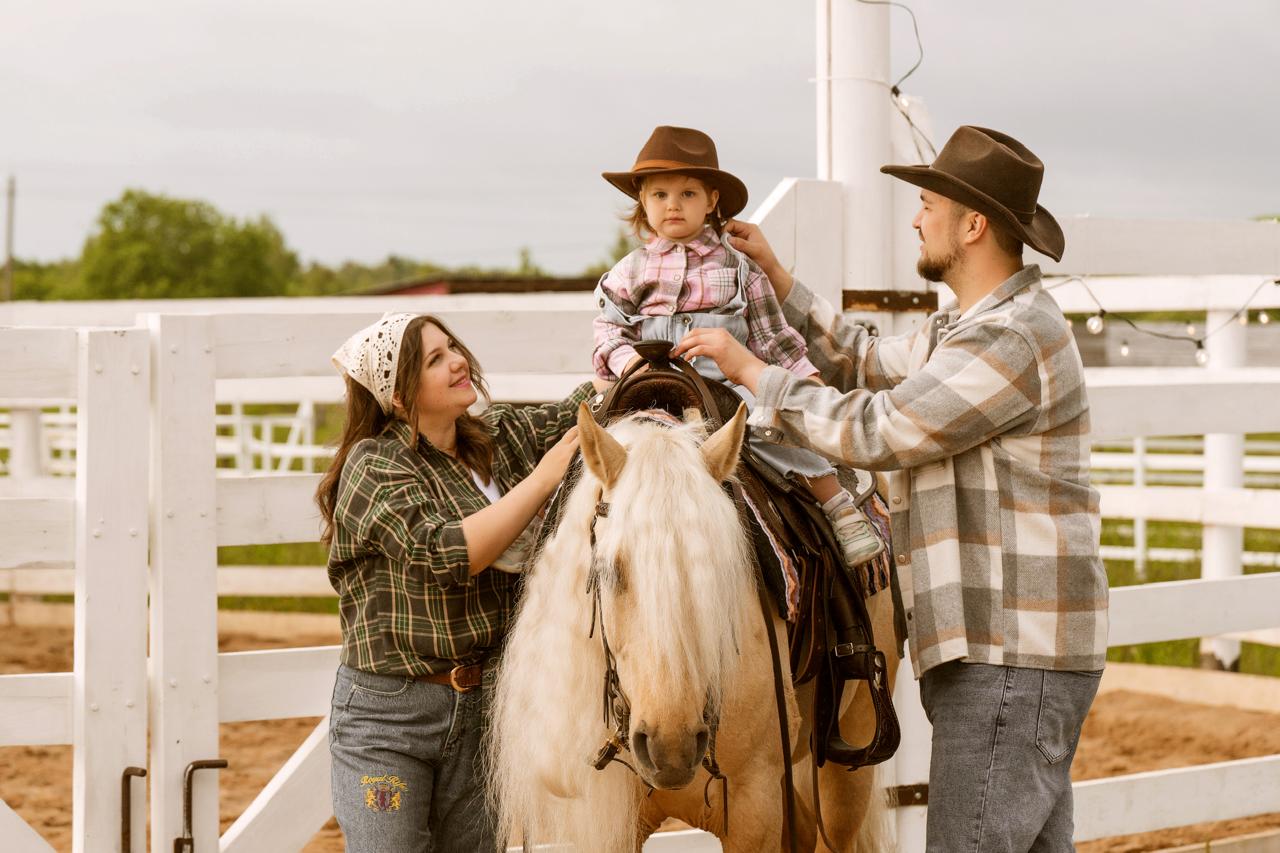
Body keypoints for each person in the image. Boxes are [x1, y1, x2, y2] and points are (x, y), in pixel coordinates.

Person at [674, 126, 1109, 851]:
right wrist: (780, 280)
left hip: (1010, 652)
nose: (915, 217)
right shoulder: (972, 329)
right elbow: (866, 361)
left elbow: (881, 427)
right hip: (1013, 652)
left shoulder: (1010, 337)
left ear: (972, 225)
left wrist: (752, 372)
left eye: (929, 204)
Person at [317, 312, 595, 851]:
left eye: (453, 347)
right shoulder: (373, 465)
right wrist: (544, 478)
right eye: (434, 359)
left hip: (486, 706)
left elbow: (578, 412)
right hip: (391, 718)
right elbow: (444, 553)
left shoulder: (497, 437)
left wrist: (637, 354)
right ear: (398, 397)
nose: (458, 361)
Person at [594, 124, 885, 582]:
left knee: (775, 428)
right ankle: (563, 546)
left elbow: (773, 336)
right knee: (590, 445)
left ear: (712, 201)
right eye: (661, 195)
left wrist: (804, 378)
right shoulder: (628, 271)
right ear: (643, 202)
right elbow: (609, 328)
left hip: (726, 385)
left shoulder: (739, 268)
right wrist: (624, 362)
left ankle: (834, 499)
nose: (673, 205)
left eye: (688, 193)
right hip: (648, 384)